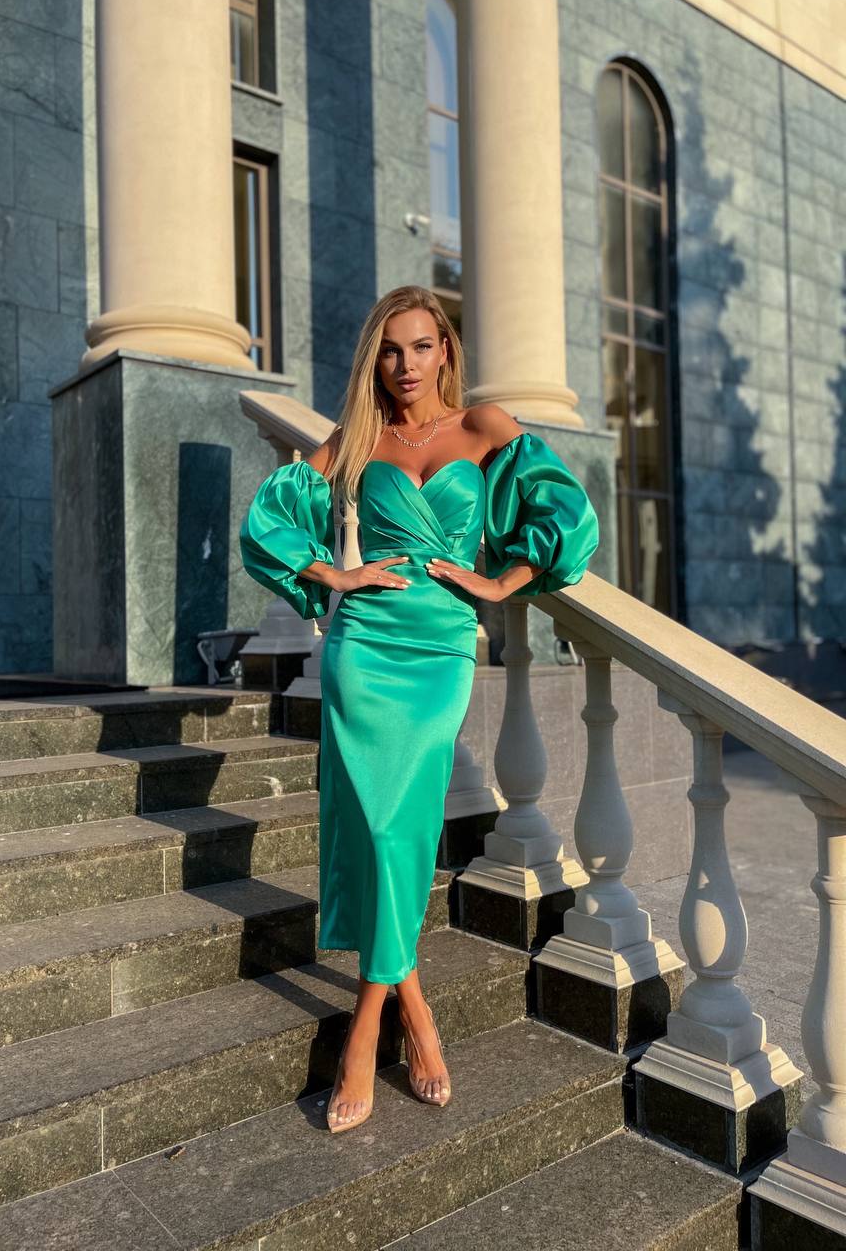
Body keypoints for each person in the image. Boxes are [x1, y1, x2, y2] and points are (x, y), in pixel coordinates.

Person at [239, 284, 599, 1134]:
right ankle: (408, 1010)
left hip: (439, 650)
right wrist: (331, 574)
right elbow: (270, 517)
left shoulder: (486, 427)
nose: (406, 365)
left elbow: (567, 515)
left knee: (401, 821)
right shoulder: (358, 439)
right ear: (379, 357)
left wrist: (502, 581)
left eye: (421, 347)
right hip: (363, 645)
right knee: (375, 825)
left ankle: (368, 1025)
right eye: (391, 350)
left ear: (446, 349)